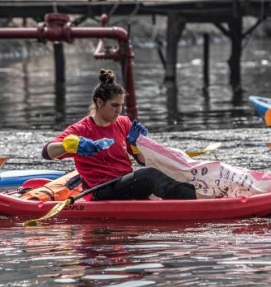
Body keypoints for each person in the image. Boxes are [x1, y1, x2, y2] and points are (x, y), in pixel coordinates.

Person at [42, 68, 196, 201]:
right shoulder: (81, 129)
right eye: (114, 105)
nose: (119, 110)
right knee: (150, 176)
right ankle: (195, 201)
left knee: (162, 170)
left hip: (123, 184)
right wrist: (70, 144)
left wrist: (138, 146)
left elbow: (142, 161)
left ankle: (194, 193)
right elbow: (47, 152)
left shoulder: (123, 123)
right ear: (100, 103)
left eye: (121, 105)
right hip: (100, 190)